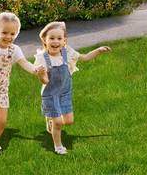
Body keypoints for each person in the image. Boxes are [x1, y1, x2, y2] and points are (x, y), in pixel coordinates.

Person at [0, 11, 47, 155]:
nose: (8, 37)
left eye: (12, 34)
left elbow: (24, 63)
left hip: (2, 88)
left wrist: (36, 70)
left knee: (1, 122)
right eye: (4, 32)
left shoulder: (14, 49)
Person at [34, 20, 111, 155]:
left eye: (59, 38)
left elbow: (85, 57)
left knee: (68, 121)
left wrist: (98, 50)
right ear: (45, 40)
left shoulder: (67, 52)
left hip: (65, 92)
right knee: (58, 123)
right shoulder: (42, 58)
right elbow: (45, 80)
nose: (55, 41)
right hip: (50, 94)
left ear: (64, 41)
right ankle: (58, 146)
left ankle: (50, 118)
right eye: (51, 38)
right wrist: (41, 74)